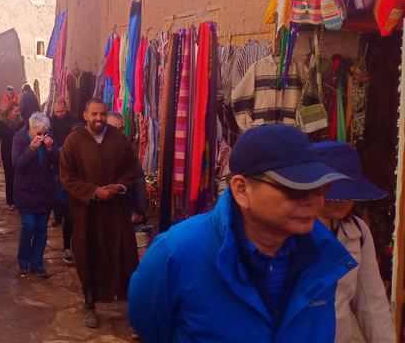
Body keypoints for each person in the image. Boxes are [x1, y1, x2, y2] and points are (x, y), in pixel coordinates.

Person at [128, 124, 356, 343]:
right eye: (295, 189)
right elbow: (148, 324)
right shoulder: (177, 252)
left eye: (320, 187)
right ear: (242, 189)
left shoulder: (324, 254)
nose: (312, 201)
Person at [59, 98, 141, 328]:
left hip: (117, 212)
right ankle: (89, 304)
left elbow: (132, 169)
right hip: (89, 213)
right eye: (94, 114)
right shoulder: (73, 142)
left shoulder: (119, 139)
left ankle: (132, 309)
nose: (99, 119)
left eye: (102, 114)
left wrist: (119, 187)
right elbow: (67, 177)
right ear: (85, 115)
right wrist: (94, 192)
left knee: (125, 257)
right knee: (89, 256)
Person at [314, 141, 396, 343]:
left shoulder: (358, 232)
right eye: (334, 193)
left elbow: (372, 304)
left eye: (349, 192)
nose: (343, 200)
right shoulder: (286, 231)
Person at [12, 112, 59, 277]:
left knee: (41, 229)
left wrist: (50, 148)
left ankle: (37, 263)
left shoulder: (48, 137)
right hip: (25, 191)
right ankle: (23, 259)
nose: (42, 136)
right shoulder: (19, 138)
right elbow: (17, 164)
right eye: (39, 133)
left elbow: (58, 161)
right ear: (30, 128)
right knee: (29, 226)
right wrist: (31, 149)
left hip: (44, 190)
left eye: (44, 132)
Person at [50, 99, 85, 263]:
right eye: (57, 112)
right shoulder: (64, 150)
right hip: (67, 191)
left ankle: (78, 247)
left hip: (82, 192)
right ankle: (67, 248)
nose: (59, 114)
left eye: (61, 111)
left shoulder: (88, 150)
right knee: (70, 219)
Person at [106, 111, 147, 224]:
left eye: (121, 127)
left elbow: (138, 176)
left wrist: (140, 207)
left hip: (124, 201)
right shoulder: (95, 145)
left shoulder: (127, 147)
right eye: (114, 127)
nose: (118, 131)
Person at [0, 101, 22, 210]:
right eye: (16, 111)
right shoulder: (1, 124)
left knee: (19, 177)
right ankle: (11, 201)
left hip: (19, 153)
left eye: (18, 111)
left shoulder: (21, 123)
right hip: (7, 153)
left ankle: (19, 200)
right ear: (9, 111)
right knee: (9, 177)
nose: (17, 113)